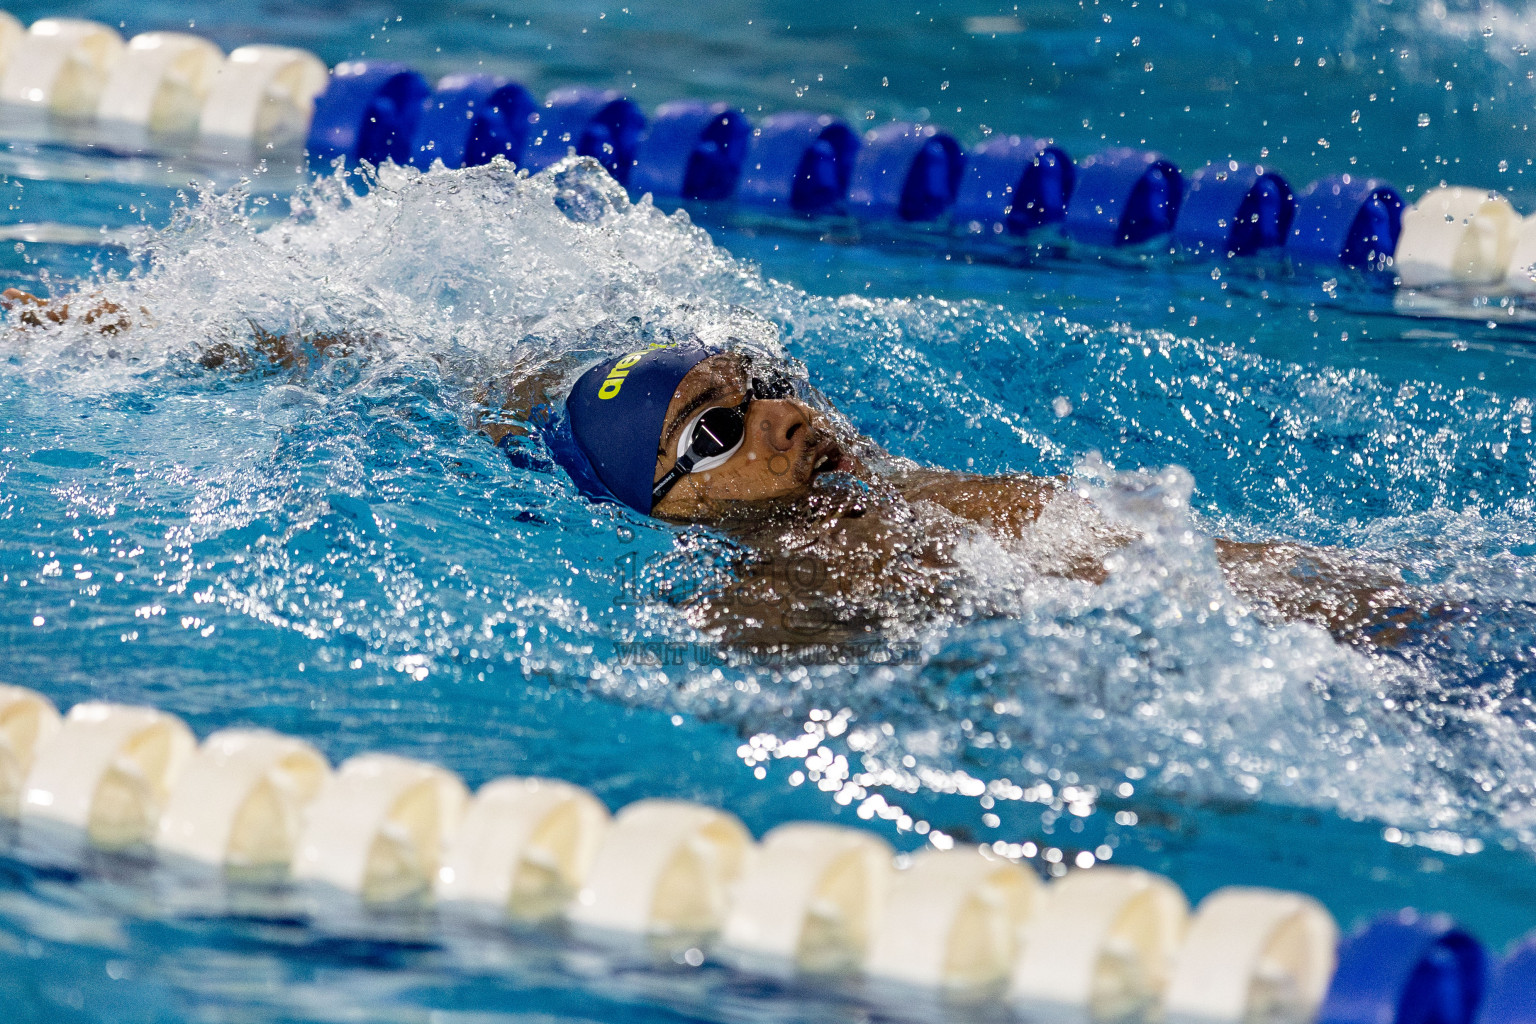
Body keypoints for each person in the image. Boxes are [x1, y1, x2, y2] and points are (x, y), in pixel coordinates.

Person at [1, 288, 1441, 652]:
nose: (771, 422)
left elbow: (369, 350)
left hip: (1419, 600)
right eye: (714, 435)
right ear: (666, 514)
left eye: (752, 389)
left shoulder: (867, 481)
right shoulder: (779, 592)